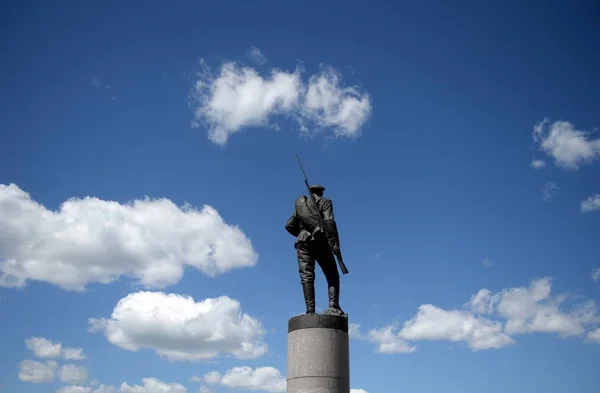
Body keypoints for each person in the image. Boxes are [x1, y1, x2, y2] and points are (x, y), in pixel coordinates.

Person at [285, 184, 344, 315]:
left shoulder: (301, 206)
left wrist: (302, 233)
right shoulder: (325, 202)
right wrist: (334, 243)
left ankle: (310, 309)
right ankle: (333, 305)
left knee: (306, 276)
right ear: (321, 192)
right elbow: (329, 222)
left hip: (302, 242)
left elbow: (289, 225)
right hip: (320, 241)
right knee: (332, 275)